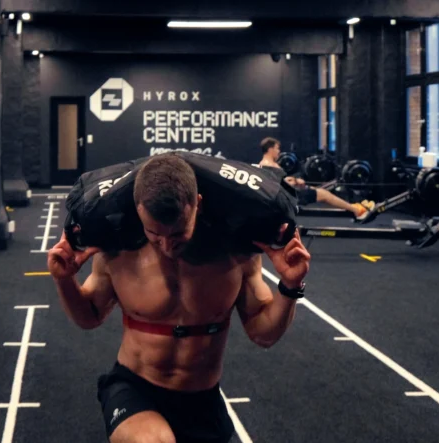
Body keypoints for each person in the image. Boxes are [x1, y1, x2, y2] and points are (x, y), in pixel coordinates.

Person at [48, 153, 311, 443]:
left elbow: (264, 334)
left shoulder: (236, 253)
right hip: (134, 387)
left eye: (177, 235)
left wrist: (289, 285)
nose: (166, 245)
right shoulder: (117, 252)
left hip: (203, 400)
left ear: (197, 204)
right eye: (154, 234)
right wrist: (65, 280)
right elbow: (89, 317)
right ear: (138, 212)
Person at [257, 137, 372, 221]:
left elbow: (280, 181)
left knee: (318, 190)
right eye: (277, 148)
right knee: (324, 194)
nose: (279, 151)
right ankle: (357, 211)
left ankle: (355, 206)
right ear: (270, 149)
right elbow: (281, 183)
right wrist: (296, 181)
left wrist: (296, 182)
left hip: (288, 195)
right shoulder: (268, 164)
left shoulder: (267, 163)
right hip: (288, 198)